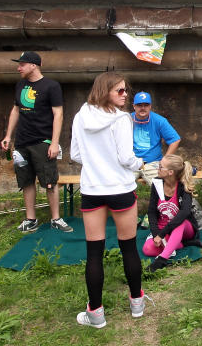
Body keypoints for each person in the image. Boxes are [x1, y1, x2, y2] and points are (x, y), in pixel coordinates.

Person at [70, 72, 148, 328]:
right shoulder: (122, 119)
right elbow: (127, 157)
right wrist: (140, 164)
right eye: (120, 91)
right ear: (105, 91)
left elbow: (76, 154)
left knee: (95, 252)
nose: (126, 95)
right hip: (120, 188)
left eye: (126, 90)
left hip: (93, 188)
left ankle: (96, 313)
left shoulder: (80, 117)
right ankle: (137, 302)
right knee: (128, 247)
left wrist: (97, 162)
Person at [0, 51, 70, 233]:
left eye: (22, 64)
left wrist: (54, 143)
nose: (18, 68)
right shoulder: (20, 85)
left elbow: (58, 114)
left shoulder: (51, 86)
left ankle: (56, 218)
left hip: (42, 141)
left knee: (49, 181)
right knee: (26, 180)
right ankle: (31, 219)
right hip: (22, 142)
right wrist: (8, 135)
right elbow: (15, 110)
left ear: (34, 65)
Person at [142, 153, 202, 272]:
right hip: (164, 228)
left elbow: (184, 213)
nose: (158, 168)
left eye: (161, 166)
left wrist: (162, 235)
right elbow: (151, 212)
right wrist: (156, 233)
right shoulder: (157, 184)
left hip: (184, 227)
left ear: (170, 172)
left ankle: (161, 260)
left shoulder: (183, 186)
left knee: (180, 223)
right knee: (148, 249)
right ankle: (183, 244)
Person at [131, 91, 182, 185]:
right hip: (132, 162)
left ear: (150, 106)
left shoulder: (159, 121)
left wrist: (165, 160)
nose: (143, 108)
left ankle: (172, 199)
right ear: (134, 106)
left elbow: (175, 140)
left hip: (153, 163)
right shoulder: (126, 120)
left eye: (146, 105)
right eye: (139, 105)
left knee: (161, 187)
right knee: (120, 186)